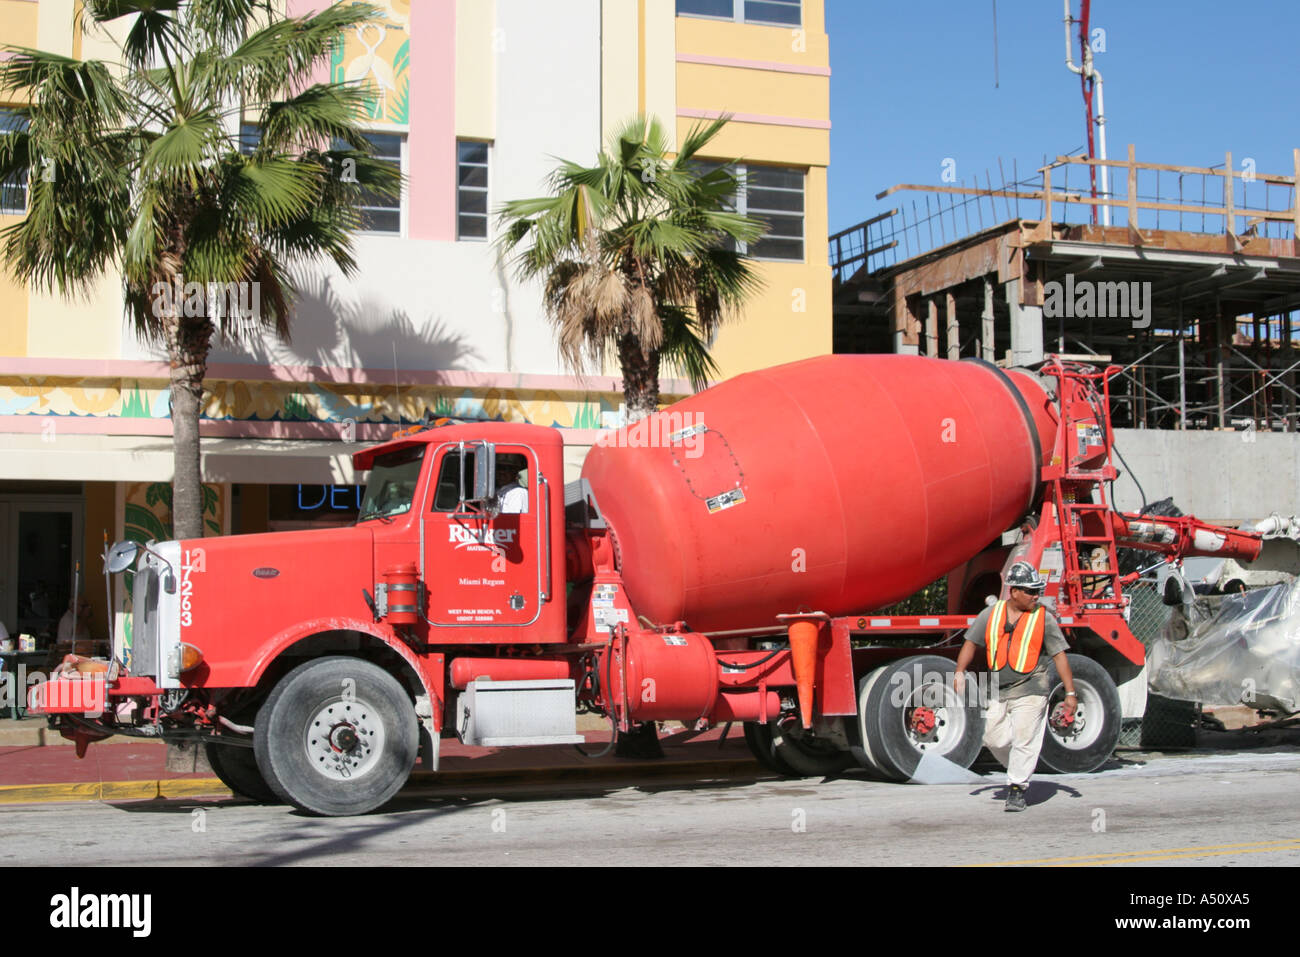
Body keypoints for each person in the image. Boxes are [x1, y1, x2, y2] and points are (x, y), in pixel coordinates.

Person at [953, 561, 1078, 811]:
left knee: (1024, 737)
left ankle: (1017, 788)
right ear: (1014, 592)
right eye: (1031, 591)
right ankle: (1021, 765)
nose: (1036, 596)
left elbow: (1060, 655)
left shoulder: (1044, 618)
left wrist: (1070, 693)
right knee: (993, 738)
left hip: (1033, 687)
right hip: (999, 688)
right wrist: (959, 672)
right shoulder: (991, 614)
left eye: (1037, 591)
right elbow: (970, 642)